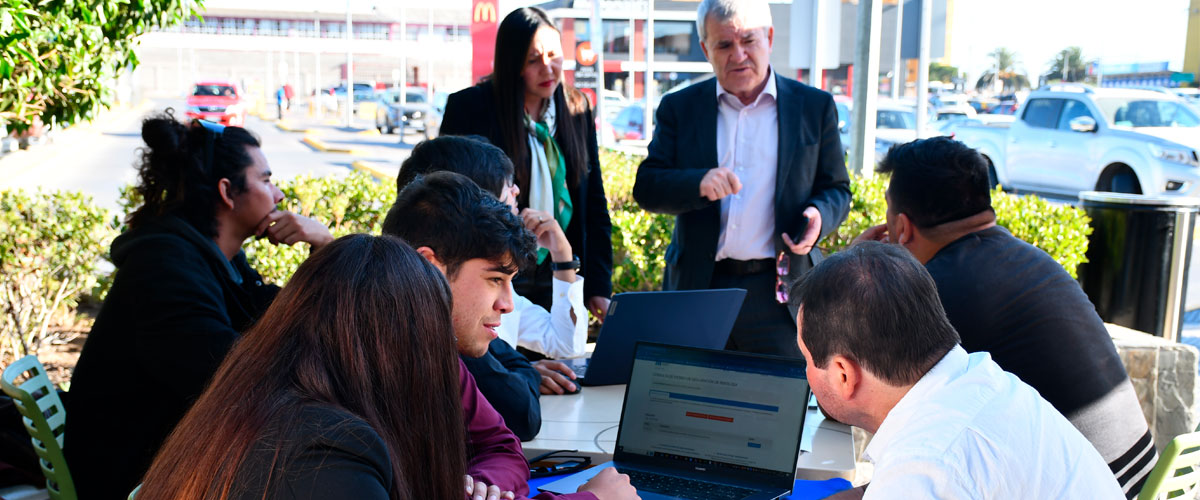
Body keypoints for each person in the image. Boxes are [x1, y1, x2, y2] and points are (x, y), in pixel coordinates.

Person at [853, 136, 1156, 497]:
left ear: (901, 227)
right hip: (1134, 477)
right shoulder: (1022, 258)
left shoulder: (942, 289)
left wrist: (857, 275)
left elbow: (855, 389)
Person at [66, 110, 334, 499]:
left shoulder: (213, 258)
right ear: (227, 192)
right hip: (128, 474)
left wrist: (324, 248)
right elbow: (231, 376)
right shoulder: (165, 268)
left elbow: (279, 318)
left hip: (163, 450)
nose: (278, 195)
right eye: (266, 180)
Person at [792, 242, 1125, 499]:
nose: (806, 370)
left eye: (806, 357)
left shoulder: (927, 465)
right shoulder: (983, 384)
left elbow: (930, 474)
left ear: (843, 375)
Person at [380, 173, 637, 500]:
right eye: (494, 279)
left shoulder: (436, 353)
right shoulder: (351, 370)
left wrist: (485, 484)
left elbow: (501, 446)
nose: (507, 304)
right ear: (429, 266)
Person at [631, 0, 850, 357]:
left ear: (770, 38)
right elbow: (647, 187)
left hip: (780, 293)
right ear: (705, 49)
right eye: (724, 45)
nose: (738, 55)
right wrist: (697, 183)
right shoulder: (679, 108)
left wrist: (818, 216)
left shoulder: (814, 107)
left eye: (749, 41)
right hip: (699, 288)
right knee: (690, 401)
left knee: (780, 405)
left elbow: (837, 188)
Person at [441, 7, 614, 323]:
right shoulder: (471, 108)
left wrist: (598, 285)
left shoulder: (577, 109)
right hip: (496, 273)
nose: (548, 68)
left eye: (554, 55)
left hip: (560, 270)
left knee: (560, 363)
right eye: (533, 60)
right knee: (510, 369)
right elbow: (450, 201)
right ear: (512, 63)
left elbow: (594, 206)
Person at [394, 136, 589, 396]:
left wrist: (563, 255)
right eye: (507, 184)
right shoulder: (429, 322)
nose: (517, 190)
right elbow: (517, 410)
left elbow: (566, 346)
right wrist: (521, 375)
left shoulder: (497, 290)